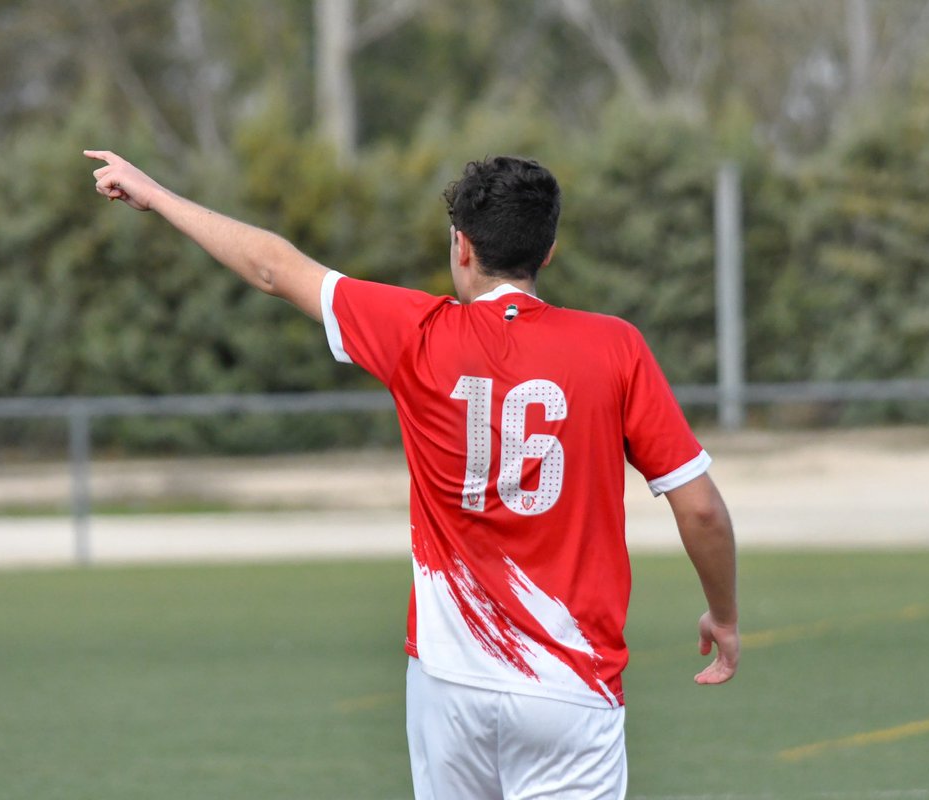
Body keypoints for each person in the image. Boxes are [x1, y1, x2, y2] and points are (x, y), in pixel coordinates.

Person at [84, 149, 739, 800]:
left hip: (449, 684)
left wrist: (160, 196)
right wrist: (723, 615)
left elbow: (272, 267)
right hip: (571, 687)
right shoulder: (614, 347)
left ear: (461, 246)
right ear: (549, 251)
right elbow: (701, 509)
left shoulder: (416, 332)